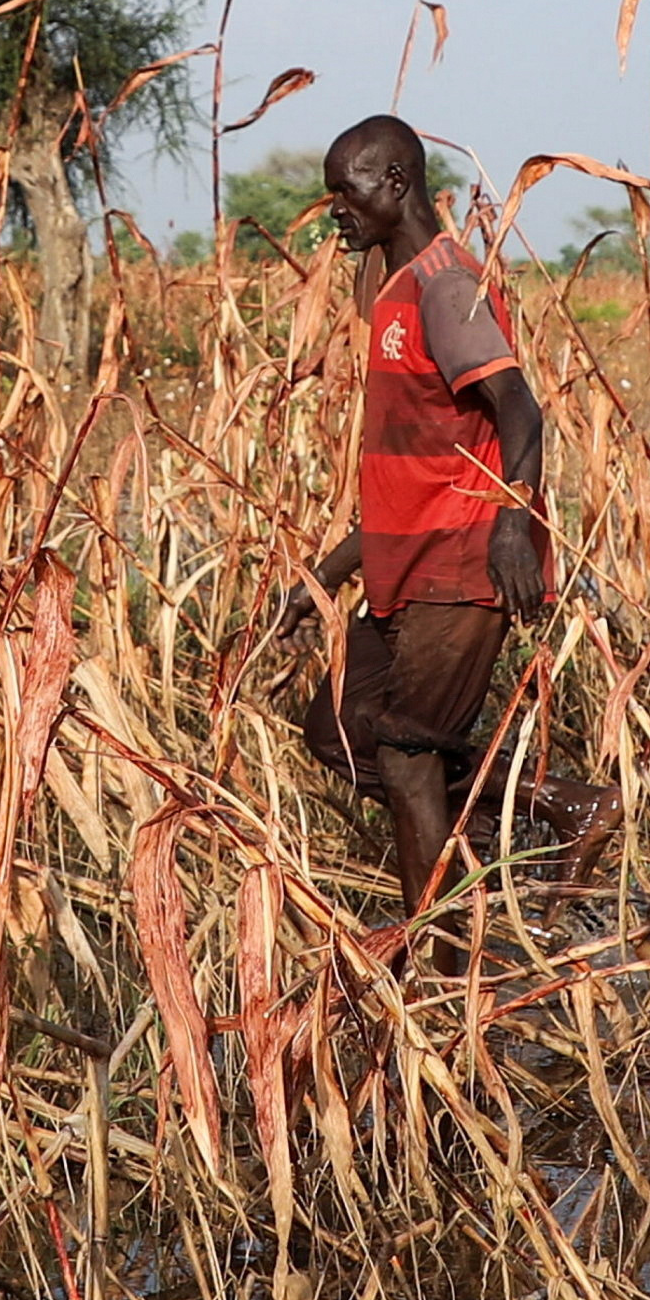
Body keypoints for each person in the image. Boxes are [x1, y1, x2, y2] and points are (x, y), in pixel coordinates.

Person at [273, 112, 560, 910]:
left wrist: (513, 522)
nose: (336, 208)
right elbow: (412, 476)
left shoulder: (445, 285)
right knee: (338, 729)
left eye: (347, 190)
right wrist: (322, 580)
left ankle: (429, 963)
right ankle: (562, 806)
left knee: (403, 759)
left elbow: (520, 411)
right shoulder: (393, 290)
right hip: (410, 561)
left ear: (394, 184)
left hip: (464, 560)